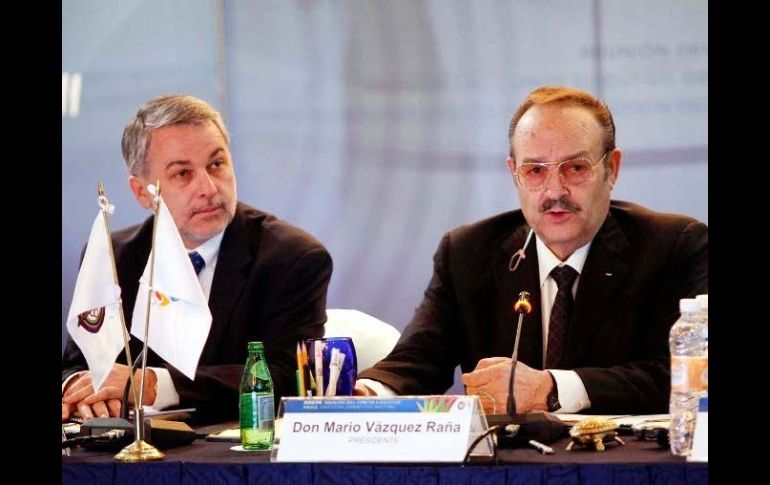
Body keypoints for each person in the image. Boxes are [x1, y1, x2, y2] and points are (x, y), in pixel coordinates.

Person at [356, 85, 707, 415]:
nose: (555, 190)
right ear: (514, 174)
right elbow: (418, 360)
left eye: (576, 168)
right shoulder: (467, 254)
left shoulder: (674, 247)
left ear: (611, 169)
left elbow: (682, 375)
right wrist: (366, 395)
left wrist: (552, 388)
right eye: (535, 170)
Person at [62, 94, 333, 424]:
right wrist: (82, 388)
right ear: (140, 192)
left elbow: (289, 378)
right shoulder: (114, 256)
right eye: (182, 174)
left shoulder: (292, 258)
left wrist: (151, 386)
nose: (208, 188)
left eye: (216, 165)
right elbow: (80, 360)